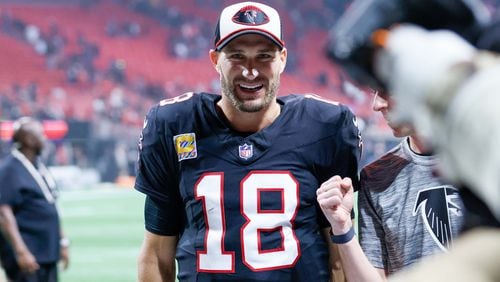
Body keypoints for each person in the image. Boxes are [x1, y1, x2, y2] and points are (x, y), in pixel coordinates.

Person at [134, 1, 361, 281]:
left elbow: (338, 251)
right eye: (237, 56)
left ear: (283, 59)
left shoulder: (324, 126)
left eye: (264, 56)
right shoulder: (173, 124)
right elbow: (157, 254)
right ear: (216, 60)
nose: (250, 70)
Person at [316, 90, 464, 281]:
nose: (377, 105)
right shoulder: (376, 177)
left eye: (387, 92)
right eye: (375, 93)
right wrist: (343, 228)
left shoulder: (487, 159)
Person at [0, 117, 69, 282]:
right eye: (40, 134)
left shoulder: (38, 166)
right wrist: (21, 251)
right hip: (28, 254)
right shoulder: (9, 169)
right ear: (28, 139)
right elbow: (3, 213)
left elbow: (51, 206)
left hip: (46, 253)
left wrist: (62, 241)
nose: (44, 138)